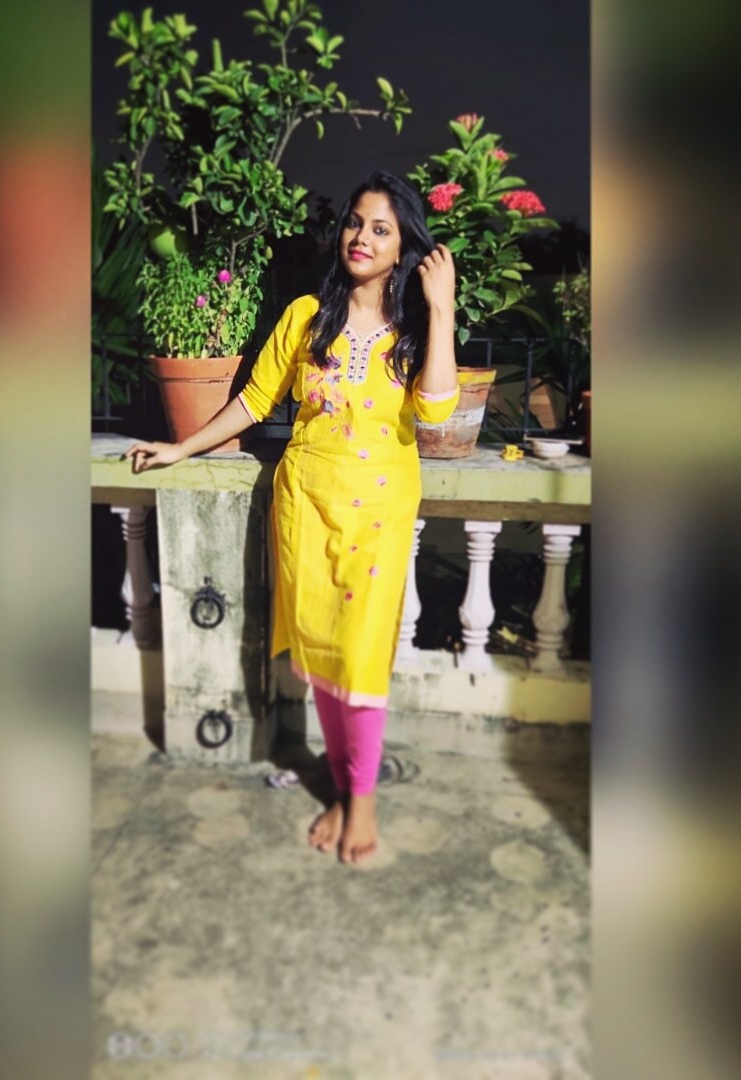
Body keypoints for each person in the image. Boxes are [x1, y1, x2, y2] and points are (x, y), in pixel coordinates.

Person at [125, 171, 459, 865]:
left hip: (378, 515)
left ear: (403, 247)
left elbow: (435, 411)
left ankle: (361, 801)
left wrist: (443, 307)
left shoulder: (415, 327)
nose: (361, 237)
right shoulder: (308, 315)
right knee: (323, 655)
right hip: (306, 505)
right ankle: (340, 787)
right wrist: (181, 447)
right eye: (355, 222)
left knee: (361, 659)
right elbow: (255, 400)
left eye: (381, 229)